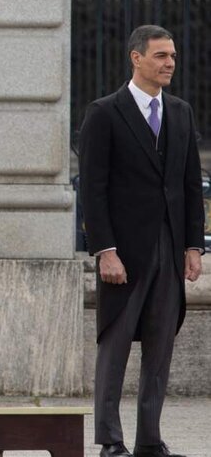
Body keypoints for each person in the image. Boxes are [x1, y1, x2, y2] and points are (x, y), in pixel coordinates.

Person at [79, 25, 204, 457]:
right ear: (137, 58)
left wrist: (193, 245)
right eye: (161, 56)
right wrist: (105, 250)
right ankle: (111, 441)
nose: (170, 63)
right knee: (114, 348)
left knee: (160, 349)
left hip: (169, 251)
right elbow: (92, 190)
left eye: (172, 55)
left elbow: (190, 185)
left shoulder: (182, 112)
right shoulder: (104, 113)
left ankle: (150, 440)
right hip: (124, 254)